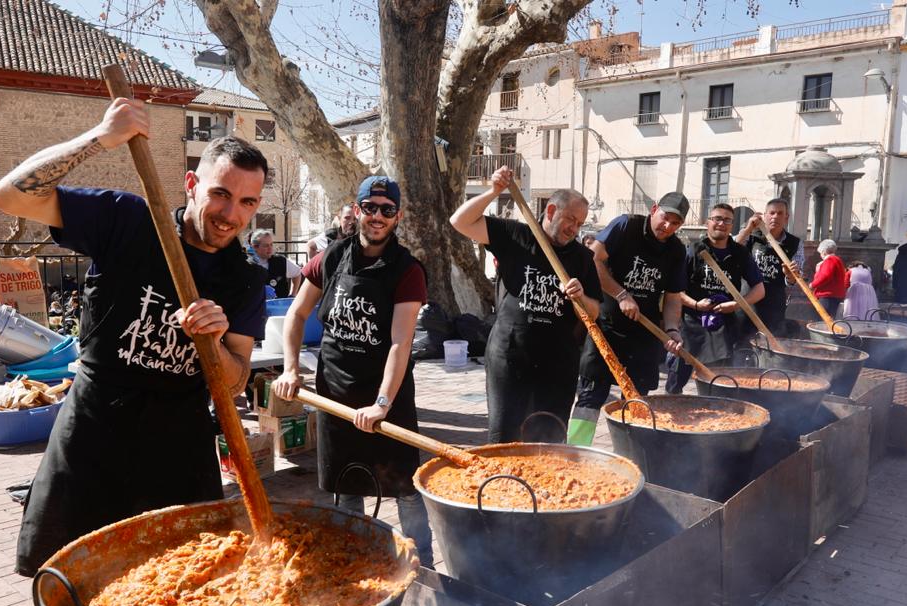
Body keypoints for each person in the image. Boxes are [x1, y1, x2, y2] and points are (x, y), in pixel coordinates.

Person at [0, 96, 268, 577]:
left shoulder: (245, 277)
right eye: (221, 194)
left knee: (187, 583)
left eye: (248, 203)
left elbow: (236, 380)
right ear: (192, 184)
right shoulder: (130, 221)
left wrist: (216, 345)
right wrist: (100, 138)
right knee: (70, 580)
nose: (231, 214)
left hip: (179, 447)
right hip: (94, 433)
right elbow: (8, 196)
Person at [272, 176, 434, 567]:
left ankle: (423, 564)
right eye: (370, 208)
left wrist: (380, 404)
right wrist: (291, 369)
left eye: (387, 210)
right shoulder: (331, 257)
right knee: (344, 488)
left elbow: (400, 343)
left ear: (397, 216)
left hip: (386, 399)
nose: (377, 217)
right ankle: (354, 563)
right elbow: (296, 314)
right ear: (357, 210)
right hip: (334, 395)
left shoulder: (407, 270)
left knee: (406, 489)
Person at [449, 166, 601, 443]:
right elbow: (460, 221)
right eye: (570, 219)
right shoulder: (514, 235)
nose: (574, 229)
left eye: (580, 224)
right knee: (505, 437)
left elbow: (595, 311)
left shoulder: (582, 257)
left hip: (558, 364)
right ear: (551, 211)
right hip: (509, 357)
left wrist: (582, 297)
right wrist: (494, 191)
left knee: (550, 440)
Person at [569, 193, 688, 445]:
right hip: (606, 324)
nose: (667, 227)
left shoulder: (677, 250)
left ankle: (630, 453)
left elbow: (673, 297)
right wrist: (621, 294)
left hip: (644, 333)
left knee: (635, 397)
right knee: (592, 392)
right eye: (665, 218)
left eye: (676, 223)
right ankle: (576, 452)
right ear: (654, 209)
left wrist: (672, 330)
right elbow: (593, 261)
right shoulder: (626, 225)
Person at [666, 203, 765, 393]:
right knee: (676, 379)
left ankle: (715, 414)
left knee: (718, 381)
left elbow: (759, 290)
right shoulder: (693, 250)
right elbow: (675, 291)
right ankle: (670, 410)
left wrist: (736, 304)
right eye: (717, 218)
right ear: (707, 222)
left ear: (732, 225)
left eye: (727, 220)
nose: (721, 223)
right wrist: (695, 304)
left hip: (724, 327)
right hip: (691, 325)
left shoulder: (740, 253)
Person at [733, 198, 804, 336]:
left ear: (786, 217)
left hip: (774, 305)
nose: (775, 217)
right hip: (746, 300)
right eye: (771, 213)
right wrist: (748, 229)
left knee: (770, 346)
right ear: (764, 215)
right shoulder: (751, 236)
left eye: (780, 213)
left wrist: (790, 276)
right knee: (740, 344)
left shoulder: (795, 243)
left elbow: (793, 281)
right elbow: (732, 249)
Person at [249, 229, 302, 298]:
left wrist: (293, 294)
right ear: (255, 247)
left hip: (280, 307)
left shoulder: (280, 261)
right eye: (266, 245)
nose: (270, 248)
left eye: (271, 244)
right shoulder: (248, 265)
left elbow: (297, 273)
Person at [811, 239, 847, 318]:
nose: (820, 255)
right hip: (835, 295)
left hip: (827, 296)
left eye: (820, 253)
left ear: (824, 251)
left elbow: (825, 276)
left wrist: (812, 285)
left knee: (821, 321)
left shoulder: (830, 260)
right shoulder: (837, 260)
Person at [893, 233, 907, 305]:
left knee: (901, 310)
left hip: (902, 285)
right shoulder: (904, 250)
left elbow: (896, 267)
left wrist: (894, 284)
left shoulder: (904, 249)